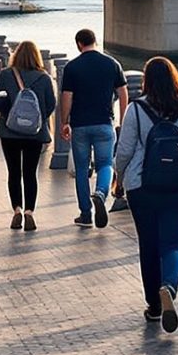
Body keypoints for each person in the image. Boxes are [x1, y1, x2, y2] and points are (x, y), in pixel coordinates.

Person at [111, 57, 178, 333]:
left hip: (142, 187)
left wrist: (119, 178)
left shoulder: (136, 109)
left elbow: (125, 150)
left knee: (149, 246)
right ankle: (169, 287)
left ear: (146, 80)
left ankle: (154, 307)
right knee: (173, 246)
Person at [58, 28, 128, 230]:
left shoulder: (72, 67)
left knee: (81, 169)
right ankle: (101, 193)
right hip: (105, 123)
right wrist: (122, 121)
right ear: (95, 42)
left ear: (79, 44)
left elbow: (67, 96)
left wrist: (64, 121)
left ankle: (86, 214)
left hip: (80, 125)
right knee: (105, 164)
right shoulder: (112, 63)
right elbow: (123, 93)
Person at [0, 41, 55, 232]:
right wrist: (37, 118)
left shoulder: (7, 74)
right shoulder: (44, 78)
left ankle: (16, 210)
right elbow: (50, 105)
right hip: (34, 133)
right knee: (30, 173)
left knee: (14, 172)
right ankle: (29, 212)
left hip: (9, 131)